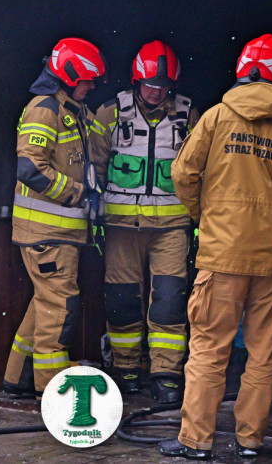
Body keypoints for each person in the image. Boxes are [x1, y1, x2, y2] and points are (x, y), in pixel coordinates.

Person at [159, 34, 272, 460]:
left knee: (209, 348)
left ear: (244, 71)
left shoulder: (218, 117)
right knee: (262, 352)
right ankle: (250, 440)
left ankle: (195, 441)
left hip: (222, 254)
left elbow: (183, 174)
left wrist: (207, 216)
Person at [90, 40, 199, 404]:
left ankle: (165, 373)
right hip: (121, 228)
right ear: (137, 81)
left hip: (171, 229)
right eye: (150, 85)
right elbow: (94, 168)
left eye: (164, 86)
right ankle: (127, 369)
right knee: (122, 301)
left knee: (169, 301)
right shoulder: (110, 114)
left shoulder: (188, 117)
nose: (156, 92)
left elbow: (203, 171)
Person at [2, 37, 108, 398]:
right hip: (48, 233)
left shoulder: (72, 110)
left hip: (54, 232)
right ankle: (51, 389)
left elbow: (94, 141)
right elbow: (30, 169)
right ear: (69, 74)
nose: (91, 86)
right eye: (87, 80)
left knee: (45, 302)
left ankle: (16, 378)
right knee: (60, 307)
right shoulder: (44, 110)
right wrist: (80, 194)